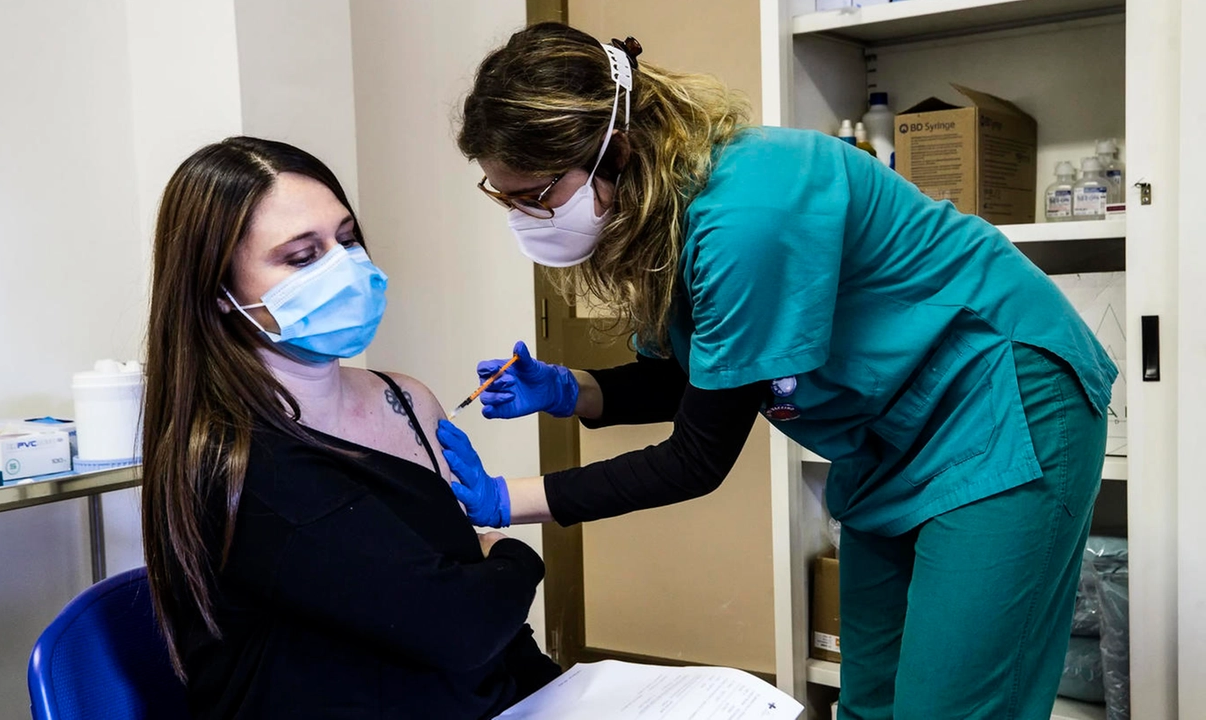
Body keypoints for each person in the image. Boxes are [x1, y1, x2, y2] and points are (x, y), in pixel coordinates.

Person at [436, 23, 1118, 720]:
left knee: (951, 708)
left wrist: (505, 498)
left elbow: (697, 457)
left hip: (1000, 401)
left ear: (614, 149)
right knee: (869, 702)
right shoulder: (666, 212)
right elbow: (707, 375)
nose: (525, 217)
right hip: (892, 432)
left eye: (535, 194)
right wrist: (575, 389)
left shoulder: (745, 212)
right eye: (505, 196)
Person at [141, 136, 559, 719]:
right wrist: (515, 551)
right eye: (302, 257)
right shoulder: (243, 464)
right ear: (218, 293)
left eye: (346, 239)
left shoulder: (404, 398)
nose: (345, 269)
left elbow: (479, 607)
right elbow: (459, 623)